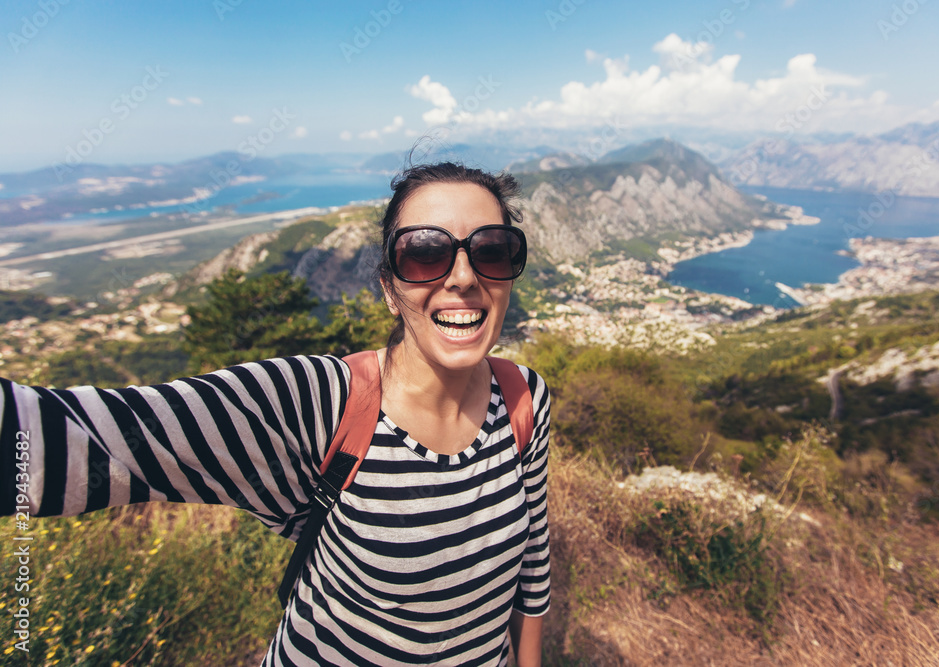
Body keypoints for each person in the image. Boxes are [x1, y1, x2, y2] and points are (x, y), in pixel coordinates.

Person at [1, 162, 551, 666]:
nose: (462, 277)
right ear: (389, 288)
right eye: (425, 253)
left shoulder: (524, 397)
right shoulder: (323, 404)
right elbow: (91, 437)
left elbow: (533, 566)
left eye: (492, 250)